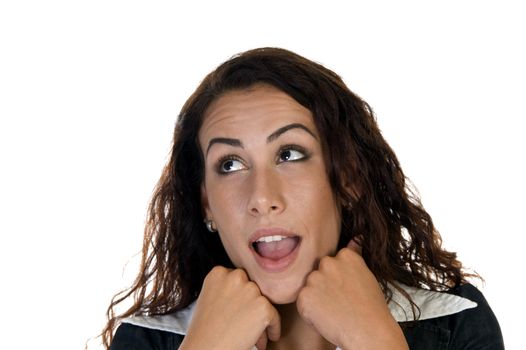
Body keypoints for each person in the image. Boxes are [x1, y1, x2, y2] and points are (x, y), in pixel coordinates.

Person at [102, 47, 504, 349]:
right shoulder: (147, 342)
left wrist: (375, 340)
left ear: (347, 178)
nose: (262, 197)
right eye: (230, 164)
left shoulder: (454, 325)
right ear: (206, 202)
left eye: (289, 154)